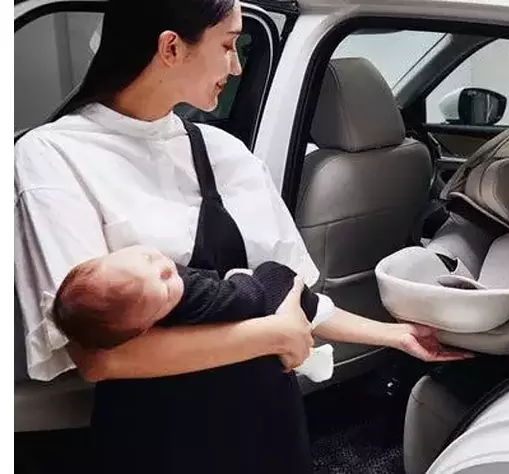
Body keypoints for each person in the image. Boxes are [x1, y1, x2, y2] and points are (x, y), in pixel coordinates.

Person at [14, 0, 469, 472]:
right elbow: (99, 359)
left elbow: (293, 296)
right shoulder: (53, 156)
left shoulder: (226, 152)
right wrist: (272, 335)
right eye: (229, 45)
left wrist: (396, 335)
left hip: (268, 418)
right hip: (162, 438)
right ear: (171, 48)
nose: (235, 67)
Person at [51, 245, 335, 382]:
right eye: (165, 291)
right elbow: (245, 298)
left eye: (148, 259)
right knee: (276, 274)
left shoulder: (142, 303)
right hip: (258, 311)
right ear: (145, 327)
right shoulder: (197, 298)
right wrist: (250, 277)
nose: (165, 269)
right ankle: (313, 331)